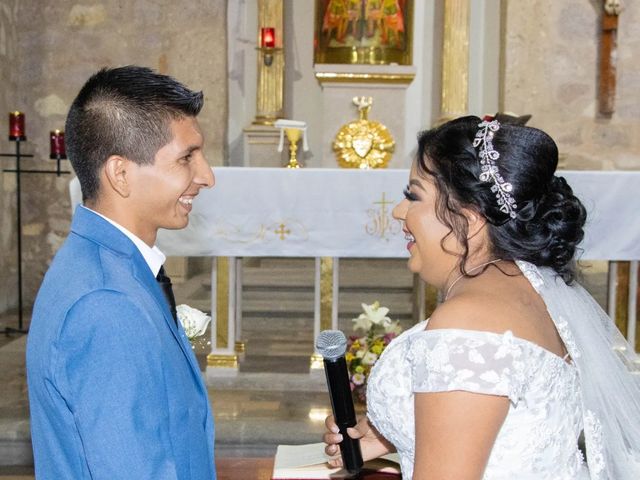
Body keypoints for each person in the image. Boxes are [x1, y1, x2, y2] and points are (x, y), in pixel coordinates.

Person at [324, 116, 640, 479]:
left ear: (470, 218)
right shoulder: (531, 288)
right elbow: (512, 422)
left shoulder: (468, 323)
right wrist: (393, 434)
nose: (398, 211)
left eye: (413, 195)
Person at [26, 66, 216, 479]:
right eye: (187, 157)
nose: (207, 177)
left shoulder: (102, 264)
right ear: (121, 173)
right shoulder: (106, 304)